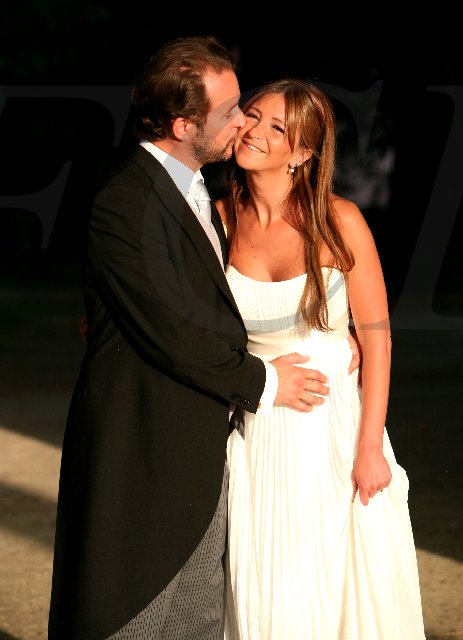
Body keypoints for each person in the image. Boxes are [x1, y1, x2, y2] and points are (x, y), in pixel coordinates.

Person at [48, 37, 360, 640]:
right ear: (184, 126)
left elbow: (221, 309)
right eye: (231, 111)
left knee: (195, 620)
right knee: (130, 617)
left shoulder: (199, 195)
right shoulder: (127, 201)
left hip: (203, 450)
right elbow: (172, 331)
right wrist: (266, 382)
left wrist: (338, 332)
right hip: (143, 449)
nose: (243, 122)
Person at [215, 79, 426, 639]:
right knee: (270, 591)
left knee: (340, 588)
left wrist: (369, 449)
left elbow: (377, 340)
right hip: (260, 432)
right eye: (252, 115)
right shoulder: (217, 220)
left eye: (278, 128)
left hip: (334, 431)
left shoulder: (339, 220)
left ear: (304, 153)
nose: (254, 131)